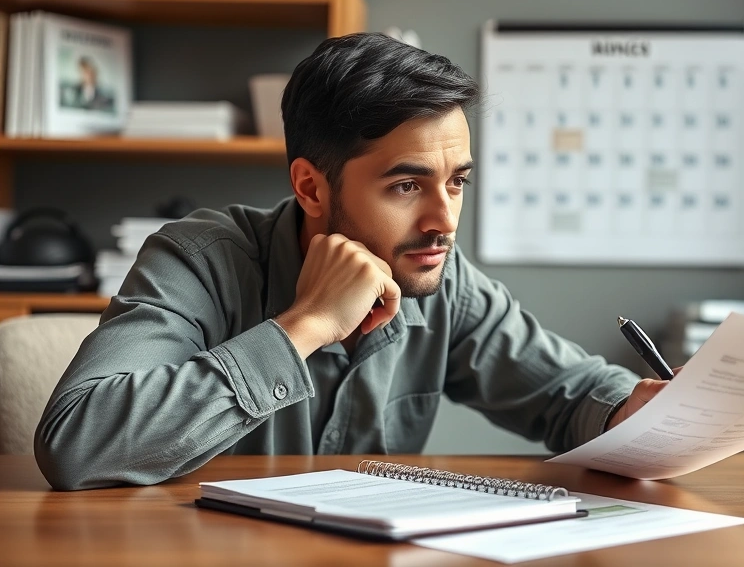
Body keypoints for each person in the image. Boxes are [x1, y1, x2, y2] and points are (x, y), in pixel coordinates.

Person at [34, 33, 669, 491]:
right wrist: (305, 325)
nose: (443, 220)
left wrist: (633, 411)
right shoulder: (200, 260)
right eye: (406, 185)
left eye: (456, 182)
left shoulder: (440, 278)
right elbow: (75, 446)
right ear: (311, 187)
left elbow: (571, 394)